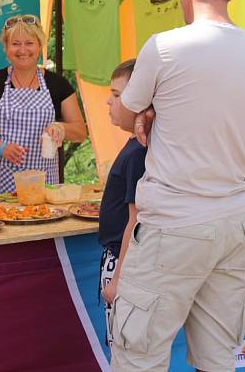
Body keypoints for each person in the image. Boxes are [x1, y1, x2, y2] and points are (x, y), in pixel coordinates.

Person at [110, 0, 245, 372]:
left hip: (176, 223)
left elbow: (125, 114)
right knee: (218, 360)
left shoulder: (164, 47)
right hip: (236, 220)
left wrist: (148, 110)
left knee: (138, 357)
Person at [0, 15, 86, 196]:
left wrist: (61, 128)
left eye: (29, 43)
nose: (22, 50)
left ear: (39, 46)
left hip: (43, 186)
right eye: (15, 44)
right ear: (6, 48)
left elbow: (80, 132)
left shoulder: (58, 85)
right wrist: (1, 147)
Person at [98, 59, 147, 346]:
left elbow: (136, 220)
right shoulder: (133, 147)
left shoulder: (138, 154)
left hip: (124, 263)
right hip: (119, 259)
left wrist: (117, 279)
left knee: (124, 346)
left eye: (116, 96)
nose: (108, 101)